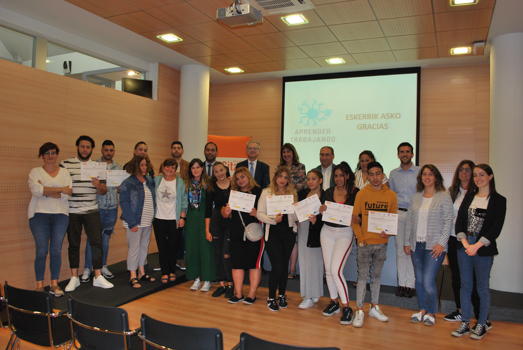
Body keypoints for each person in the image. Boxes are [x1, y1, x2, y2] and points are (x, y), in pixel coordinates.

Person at [451, 164, 506, 340]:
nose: (477, 178)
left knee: (482, 288)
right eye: (475, 175)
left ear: (490, 176)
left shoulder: (499, 200)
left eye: (482, 174)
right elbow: (459, 222)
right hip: (465, 245)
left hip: (483, 248)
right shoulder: (469, 196)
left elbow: (495, 228)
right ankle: (465, 322)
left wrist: (476, 246)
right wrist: (466, 243)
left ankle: (482, 323)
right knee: (465, 286)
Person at [402, 164, 453, 326]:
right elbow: (409, 221)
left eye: (430, 174)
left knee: (428, 280)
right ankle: (422, 309)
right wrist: (406, 242)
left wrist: (441, 243)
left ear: (436, 177)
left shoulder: (444, 196)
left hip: (434, 246)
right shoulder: (416, 197)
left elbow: (448, 221)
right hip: (417, 245)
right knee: (419, 280)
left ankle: (432, 311)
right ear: (420, 178)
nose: (427, 177)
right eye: (424, 174)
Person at [61, 135, 114, 291]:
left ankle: (97, 276)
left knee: (96, 243)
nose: (85, 149)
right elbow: (62, 185)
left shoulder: (98, 166)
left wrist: (98, 185)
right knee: (74, 244)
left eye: (88, 147)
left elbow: (104, 191)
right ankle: (74, 277)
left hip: (92, 210)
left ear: (92, 149)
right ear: (77, 147)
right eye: (82, 146)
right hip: (73, 211)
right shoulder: (66, 164)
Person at [352, 161, 398, 328]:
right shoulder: (362, 194)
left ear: (382, 175)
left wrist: (389, 232)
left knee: (377, 277)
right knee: (362, 277)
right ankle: (359, 309)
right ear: (368, 176)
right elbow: (355, 220)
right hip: (365, 243)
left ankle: (374, 307)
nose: (375, 177)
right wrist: (360, 237)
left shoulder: (391, 195)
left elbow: (393, 221)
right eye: (371, 174)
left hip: (382, 244)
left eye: (378, 173)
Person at [28, 142, 72, 296]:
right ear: (42, 156)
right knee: (41, 251)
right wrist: (59, 189)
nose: (50, 156)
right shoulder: (35, 172)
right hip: (39, 215)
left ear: (57, 155)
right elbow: (36, 190)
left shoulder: (65, 172)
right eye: (47, 153)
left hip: (61, 215)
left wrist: (45, 189)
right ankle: (39, 285)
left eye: (53, 153)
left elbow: (69, 192)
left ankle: (54, 283)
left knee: (56, 250)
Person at [319, 162, 358, 325]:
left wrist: (356, 218)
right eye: (336, 176)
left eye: (342, 175)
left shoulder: (356, 193)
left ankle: (347, 307)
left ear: (347, 176)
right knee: (328, 271)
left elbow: (360, 216)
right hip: (327, 232)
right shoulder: (327, 192)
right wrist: (320, 210)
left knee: (336, 270)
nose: (339, 178)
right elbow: (321, 211)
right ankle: (334, 302)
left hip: (345, 233)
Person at [257, 166, 298, 311]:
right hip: (273, 233)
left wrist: (298, 211)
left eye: (286, 177)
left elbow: (296, 216)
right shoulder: (266, 192)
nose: (282, 180)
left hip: (288, 234)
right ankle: (270, 297)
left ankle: (281, 295)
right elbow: (259, 214)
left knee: (284, 267)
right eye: (280, 176)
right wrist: (274, 219)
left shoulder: (292, 194)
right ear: (275, 177)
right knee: (277, 266)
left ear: (288, 180)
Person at [222, 167, 263, 304]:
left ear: (249, 177)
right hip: (236, 233)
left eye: (243, 177)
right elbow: (224, 213)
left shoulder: (259, 192)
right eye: (238, 178)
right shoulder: (233, 193)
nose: (240, 180)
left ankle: (251, 295)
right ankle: (238, 294)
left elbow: (266, 214)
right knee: (237, 264)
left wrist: (257, 213)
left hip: (254, 234)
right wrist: (226, 212)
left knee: (253, 265)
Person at [81, 140, 121, 283]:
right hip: (97, 207)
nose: (109, 153)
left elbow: (121, 189)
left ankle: (102, 266)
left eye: (111, 150)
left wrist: (120, 186)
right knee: (93, 239)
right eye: (106, 150)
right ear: (102, 151)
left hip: (112, 209)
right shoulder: (94, 167)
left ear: (114, 152)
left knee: (105, 239)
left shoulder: (118, 167)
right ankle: (87, 268)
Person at [444, 160, 479, 322]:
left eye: (468, 170)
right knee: (457, 276)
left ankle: (480, 314)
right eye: (461, 170)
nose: (464, 173)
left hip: (471, 239)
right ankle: (460, 310)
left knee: (473, 277)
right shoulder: (452, 192)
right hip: (453, 239)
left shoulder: (478, 192)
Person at [119, 155, 157, 288]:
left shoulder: (149, 181)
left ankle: (141, 272)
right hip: (134, 221)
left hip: (147, 220)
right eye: (141, 165)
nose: (144, 167)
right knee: (134, 248)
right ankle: (132, 275)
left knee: (143, 247)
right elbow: (124, 203)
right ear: (135, 165)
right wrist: (132, 222)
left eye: (146, 165)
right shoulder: (128, 183)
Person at [388, 142, 418, 298]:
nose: (405, 154)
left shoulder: (420, 172)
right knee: (400, 250)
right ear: (398, 154)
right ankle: (402, 284)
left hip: (415, 215)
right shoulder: (393, 174)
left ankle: (411, 285)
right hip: (399, 214)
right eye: (402, 152)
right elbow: (391, 195)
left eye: (407, 151)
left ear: (412, 154)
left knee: (411, 249)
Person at [153, 159, 187, 284]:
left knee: (173, 247)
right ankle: (164, 272)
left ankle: (172, 271)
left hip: (174, 219)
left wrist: (182, 218)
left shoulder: (180, 182)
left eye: (173, 167)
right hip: (158, 219)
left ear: (175, 169)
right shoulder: (156, 180)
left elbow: (184, 201)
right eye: (167, 167)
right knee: (162, 247)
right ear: (163, 167)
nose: (169, 169)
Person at [296, 169, 325, 309]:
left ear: (320, 180)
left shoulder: (325, 196)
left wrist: (316, 221)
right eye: (308, 179)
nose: (310, 181)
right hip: (303, 230)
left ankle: (314, 294)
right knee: (305, 264)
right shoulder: (302, 194)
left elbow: (327, 218)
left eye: (314, 178)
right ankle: (307, 295)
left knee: (316, 264)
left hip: (316, 233)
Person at [185, 158, 215, 292]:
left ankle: (207, 279)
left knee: (205, 249)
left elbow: (209, 206)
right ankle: (197, 278)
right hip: (191, 220)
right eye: (193, 168)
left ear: (202, 168)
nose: (196, 170)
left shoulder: (208, 184)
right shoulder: (187, 184)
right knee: (193, 249)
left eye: (198, 167)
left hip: (204, 219)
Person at [205, 162, 233, 298]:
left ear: (226, 170)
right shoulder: (211, 188)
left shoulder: (234, 184)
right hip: (216, 223)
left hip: (231, 223)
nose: (219, 173)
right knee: (217, 254)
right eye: (216, 171)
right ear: (213, 174)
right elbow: (207, 211)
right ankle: (222, 284)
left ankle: (231, 285)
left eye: (221, 170)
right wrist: (207, 230)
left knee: (226, 254)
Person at [279, 143, 306, 280]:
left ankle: (292, 268)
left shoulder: (300, 167)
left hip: (295, 204)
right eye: (284, 152)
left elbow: (303, 184)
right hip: (281, 205)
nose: (286, 154)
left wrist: (289, 187)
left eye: (288, 152)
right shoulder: (280, 167)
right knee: (283, 236)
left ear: (293, 153)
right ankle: (283, 267)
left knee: (293, 238)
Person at [170, 140, 189, 269]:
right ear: (171, 150)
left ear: (182, 151)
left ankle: (181, 258)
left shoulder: (187, 165)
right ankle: (170, 259)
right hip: (169, 204)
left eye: (179, 148)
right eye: (174, 148)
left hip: (183, 202)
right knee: (170, 232)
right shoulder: (166, 164)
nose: (176, 150)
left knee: (182, 233)